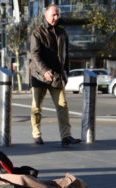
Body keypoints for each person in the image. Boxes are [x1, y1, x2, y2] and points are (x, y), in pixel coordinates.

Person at [29, 4, 81, 147]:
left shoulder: (62, 32)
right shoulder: (37, 33)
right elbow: (35, 55)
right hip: (39, 75)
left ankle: (66, 136)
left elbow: (66, 54)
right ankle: (36, 134)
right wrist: (45, 70)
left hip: (57, 75)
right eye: (53, 15)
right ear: (46, 15)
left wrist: (66, 72)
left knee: (62, 105)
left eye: (58, 14)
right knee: (36, 108)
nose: (56, 17)